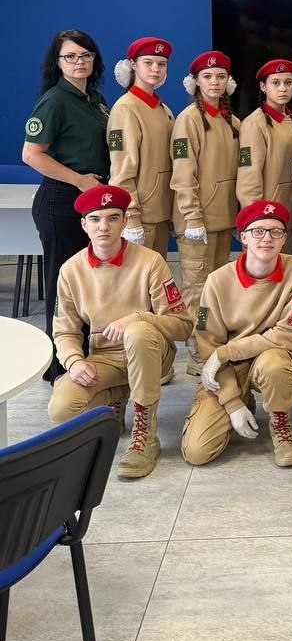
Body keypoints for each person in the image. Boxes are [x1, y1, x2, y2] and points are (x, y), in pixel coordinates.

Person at [48, 184, 192, 479]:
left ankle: (145, 433)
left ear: (125, 221)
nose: (104, 227)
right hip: (106, 358)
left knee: (137, 332)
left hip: (151, 353)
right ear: (84, 225)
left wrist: (139, 318)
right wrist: (74, 362)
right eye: (96, 219)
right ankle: (116, 393)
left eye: (113, 218)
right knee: (62, 409)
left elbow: (183, 325)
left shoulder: (150, 262)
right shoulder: (71, 270)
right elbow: (64, 331)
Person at [180, 200, 292, 468]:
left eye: (276, 231)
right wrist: (232, 403)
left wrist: (226, 351)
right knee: (196, 453)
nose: (267, 238)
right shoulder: (217, 281)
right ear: (243, 237)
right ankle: (242, 399)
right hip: (227, 367)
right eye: (258, 231)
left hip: (269, 357)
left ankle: (280, 423)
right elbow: (208, 344)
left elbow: (288, 335)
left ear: (284, 238)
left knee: (275, 363)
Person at [23, 28, 111, 382]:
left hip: (90, 203)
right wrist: (79, 180)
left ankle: (82, 357)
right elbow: (31, 154)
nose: (79, 62)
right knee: (64, 287)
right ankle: (59, 368)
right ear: (57, 63)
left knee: (86, 284)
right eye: (70, 56)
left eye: (86, 55)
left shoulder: (95, 99)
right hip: (61, 202)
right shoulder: (55, 100)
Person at [171, 50, 241, 376]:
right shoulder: (188, 121)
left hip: (223, 220)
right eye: (208, 76)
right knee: (197, 291)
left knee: (216, 290)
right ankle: (197, 351)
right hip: (196, 222)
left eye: (221, 76)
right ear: (196, 81)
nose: (215, 82)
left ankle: (213, 343)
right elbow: (183, 172)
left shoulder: (232, 122)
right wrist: (192, 216)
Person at [107, 36, 175, 259]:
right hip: (141, 215)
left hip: (160, 212)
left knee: (157, 276)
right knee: (137, 278)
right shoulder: (126, 108)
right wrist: (131, 216)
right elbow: (121, 170)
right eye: (148, 62)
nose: (156, 69)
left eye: (162, 64)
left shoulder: (163, 109)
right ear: (133, 64)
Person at [237, 58, 292, 254]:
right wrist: (253, 219)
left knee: (286, 268)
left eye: (288, 82)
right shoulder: (254, 124)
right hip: (266, 219)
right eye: (276, 83)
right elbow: (249, 177)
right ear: (263, 87)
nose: (283, 88)